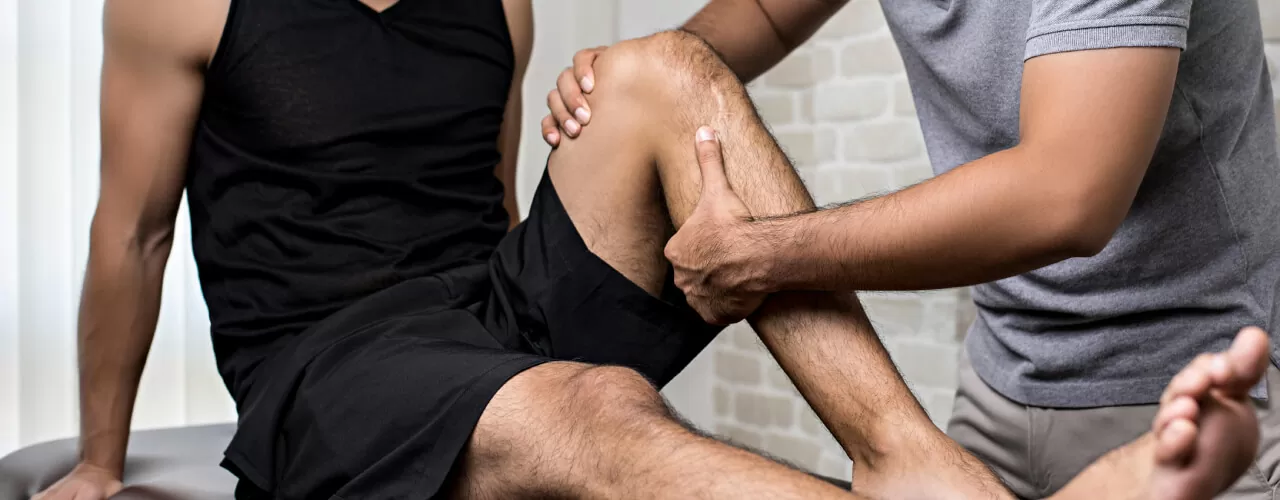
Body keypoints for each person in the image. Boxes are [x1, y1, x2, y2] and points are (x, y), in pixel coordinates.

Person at [30, 0, 1266, 499]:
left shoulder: (495, 0)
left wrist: (643, 113)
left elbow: (493, 201)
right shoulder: (176, 3)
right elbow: (130, 232)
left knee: (669, 67)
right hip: (323, 362)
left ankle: (906, 463)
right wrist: (94, 464)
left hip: (470, 308)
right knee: (591, 398)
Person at [546, 0, 1280, 497]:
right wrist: (640, 80)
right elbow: (764, 15)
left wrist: (764, 252)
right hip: (1000, 381)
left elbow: (1068, 196)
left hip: (1195, 386)